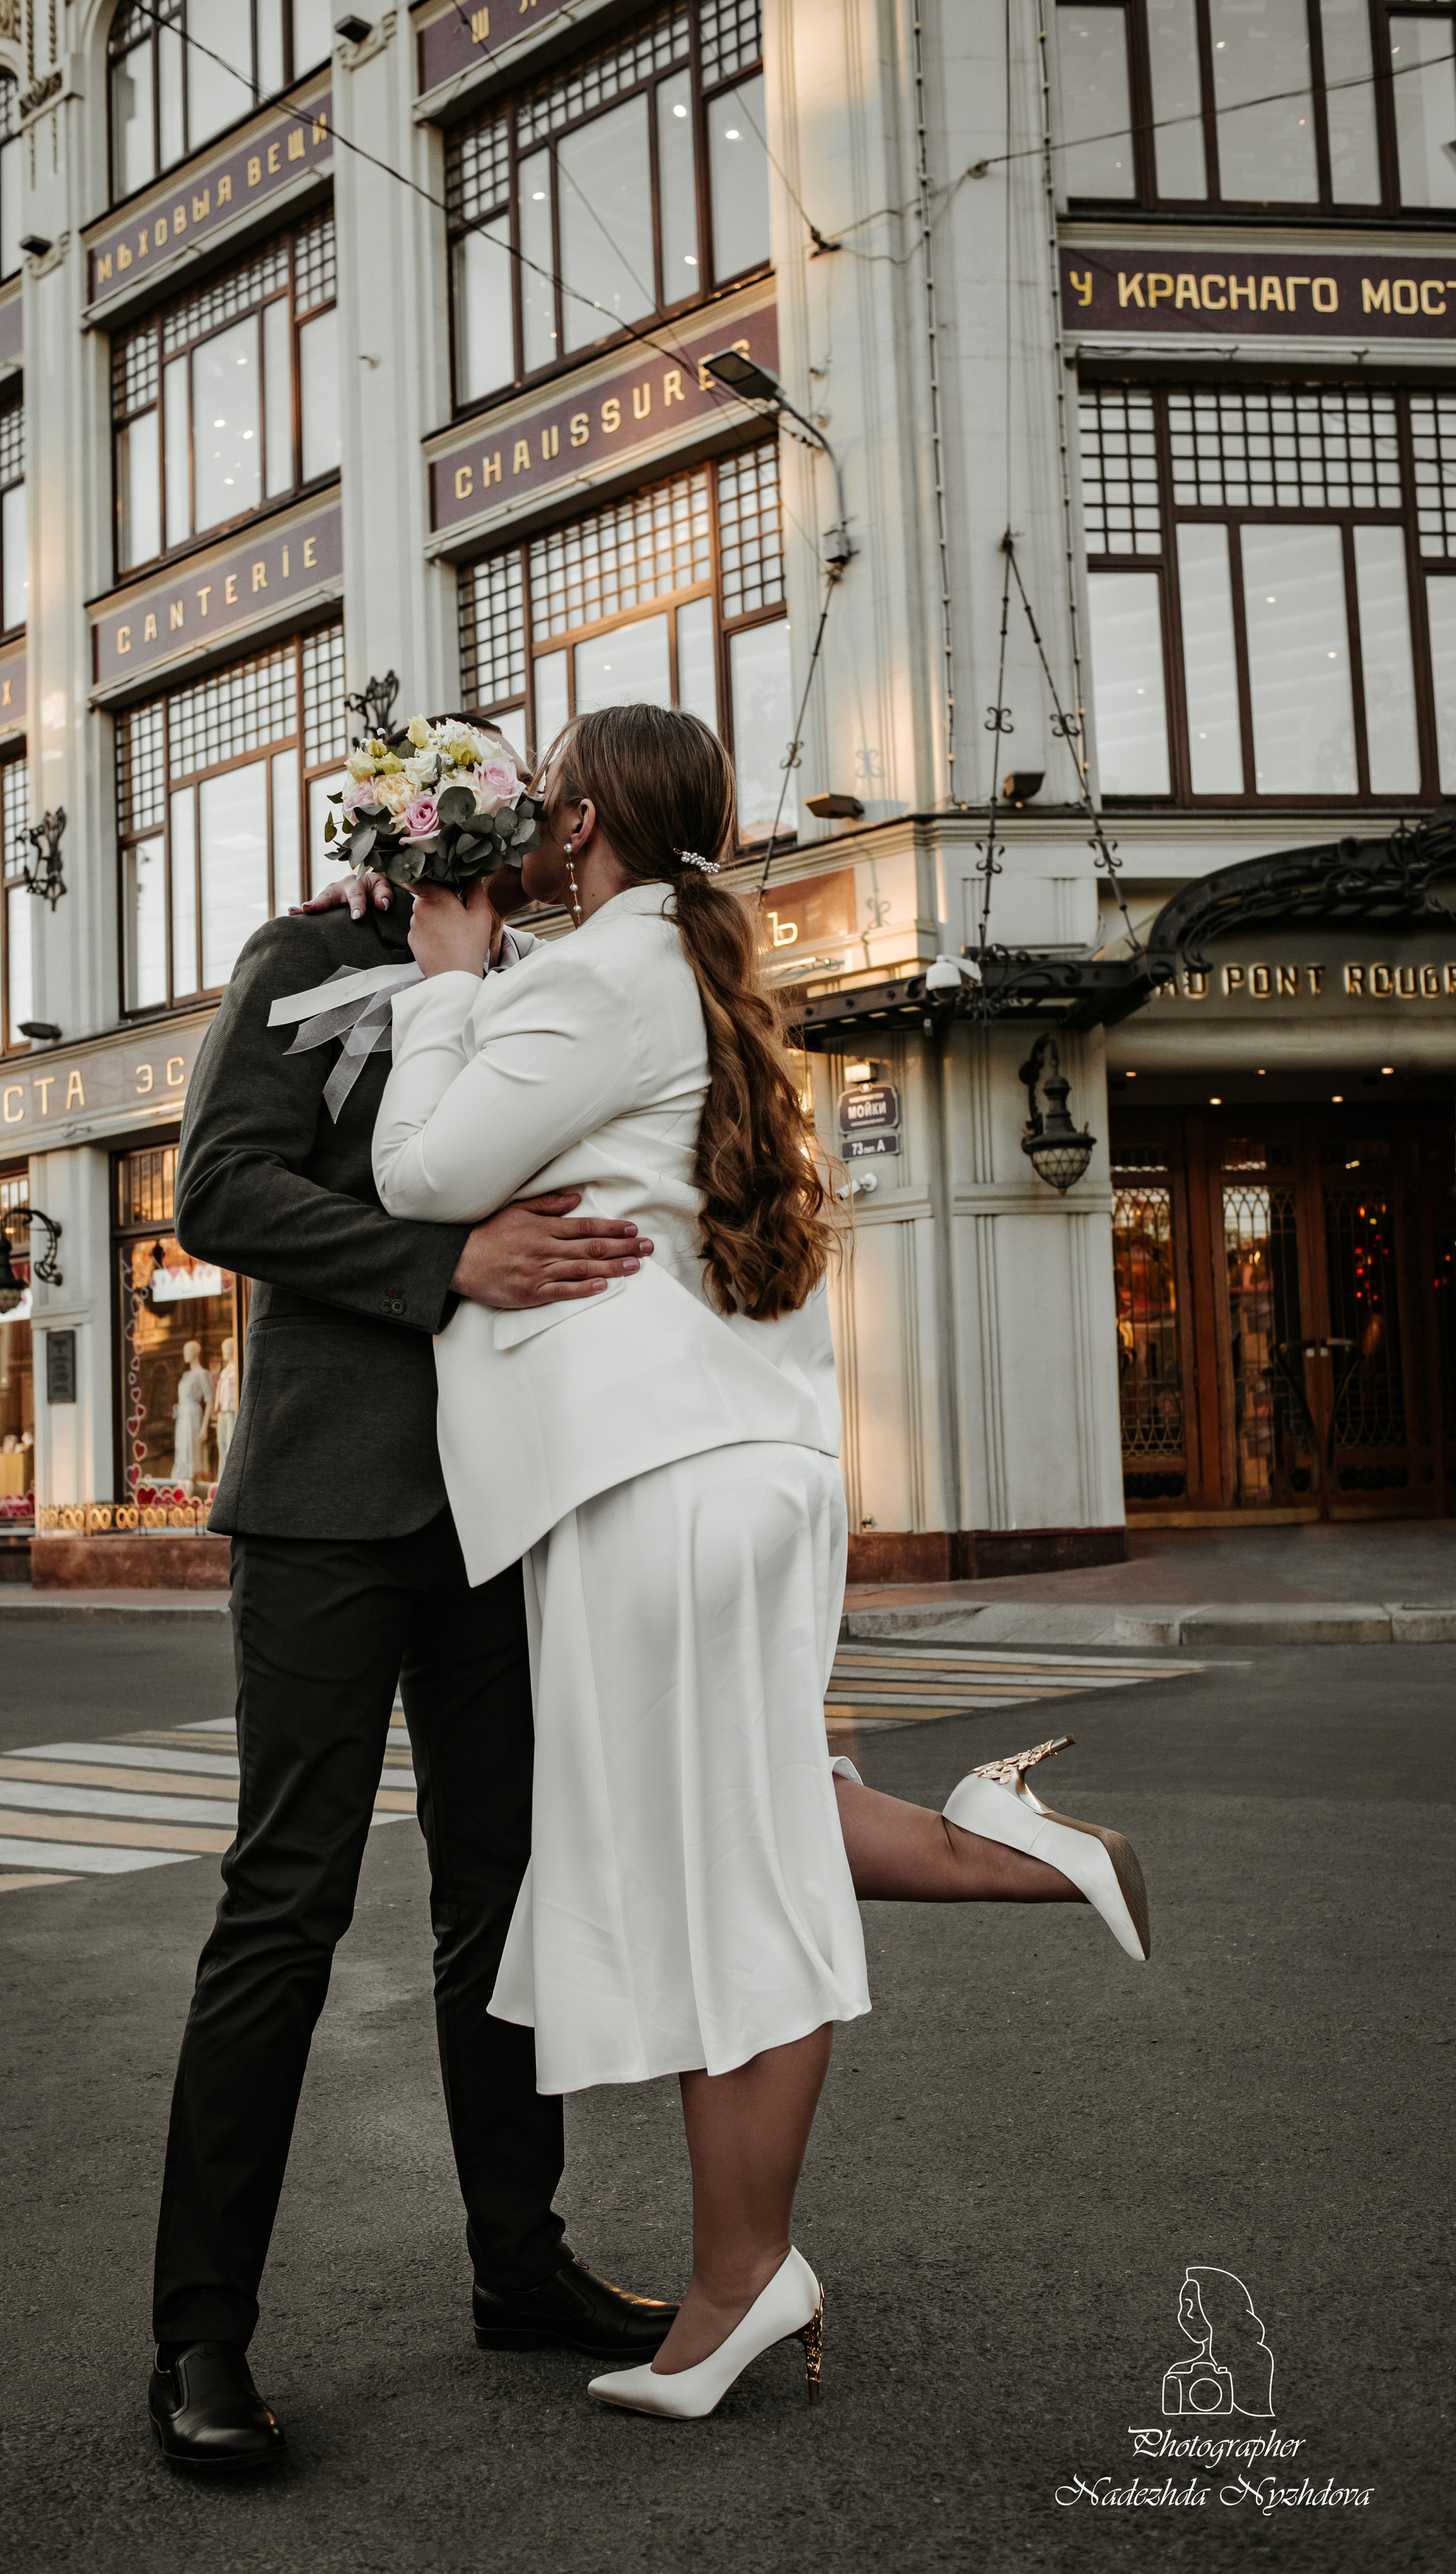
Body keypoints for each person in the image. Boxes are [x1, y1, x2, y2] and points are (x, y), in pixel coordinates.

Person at [369, 703, 1150, 2422]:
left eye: (539, 817)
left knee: (729, 1882)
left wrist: (441, 978)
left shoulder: (595, 977)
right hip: (738, 1469)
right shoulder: (700, 979)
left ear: (573, 829)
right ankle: (748, 2255)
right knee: (729, 1844)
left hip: (657, 1483)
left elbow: (420, 1169)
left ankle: (743, 2275)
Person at [147, 722, 677, 2474]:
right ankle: (199, 2340)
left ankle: (518, 2269)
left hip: (500, 1501)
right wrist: (439, 1260)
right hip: (321, 1501)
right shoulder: (307, 957)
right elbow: (216, 1190)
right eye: (509, 810)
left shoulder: (545, 983)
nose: (535, 835)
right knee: (283, 1905)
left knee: (498, 1901)